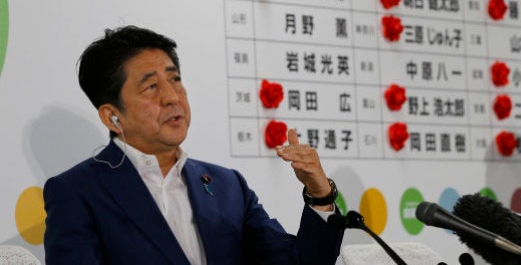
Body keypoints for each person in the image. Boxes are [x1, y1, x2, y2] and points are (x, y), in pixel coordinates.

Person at [43, 25, 344, 264]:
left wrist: (320, 196)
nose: (172, 97)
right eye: (151, 86)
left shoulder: (227, 186)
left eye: (174, 80)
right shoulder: (77, 192)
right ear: (112, 116)